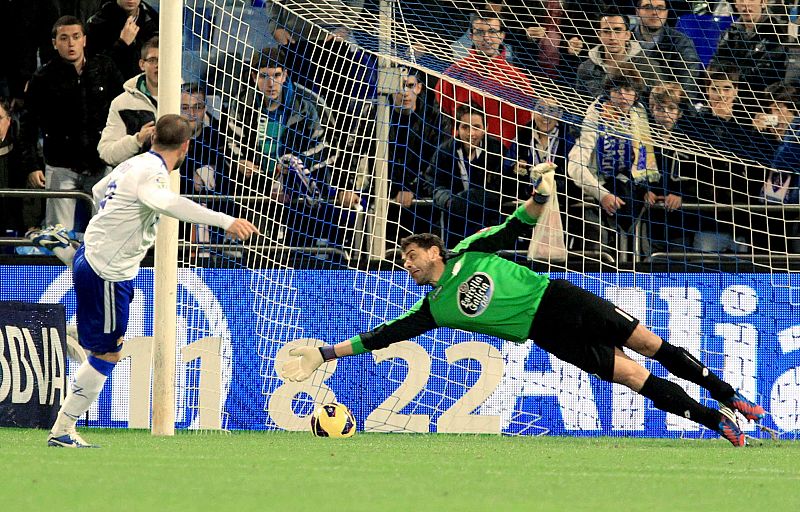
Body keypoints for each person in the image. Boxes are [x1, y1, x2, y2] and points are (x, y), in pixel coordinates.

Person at [281, 167, 765, 447]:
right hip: (548, 334)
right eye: (402, 260)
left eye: (409, 256)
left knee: (651, 346)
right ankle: (718, 424)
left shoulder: (470, 251)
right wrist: (327, 354)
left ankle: (729, 396)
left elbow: (516, 225)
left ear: (433, 251)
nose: (405, 265)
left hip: (560, 299)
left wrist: (539, 195)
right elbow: (384, 334)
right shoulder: (433, 310)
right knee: (634, 378)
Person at [47, 115, 258, 448]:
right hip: (107, 272)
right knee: (107, 355)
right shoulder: (153, 175)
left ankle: (66, 255)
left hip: (97, 256)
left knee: (105, 339)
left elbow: (99, 189)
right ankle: (62, 429)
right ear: (186, 146)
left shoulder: (134, 163)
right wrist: (226, 220)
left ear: (153, 137)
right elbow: (169, 203)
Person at [19, 15, 124, 263]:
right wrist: (32, 165)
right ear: (54, 43)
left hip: (101, 163)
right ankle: (68, 280)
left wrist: (121, 152)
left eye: (76, 37)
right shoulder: (42, 78)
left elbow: (123, 111)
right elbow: (28, 125)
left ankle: (101, 274)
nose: (71, 43)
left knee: (106, 230)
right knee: (58, 235)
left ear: (85, 40)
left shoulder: (105, 68)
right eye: (64, 38)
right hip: (60, 165)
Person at [98, 36, 159, 167]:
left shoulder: (185, 99)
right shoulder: (122, 103)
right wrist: (137, 141)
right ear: (142, 64)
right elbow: (106, 153)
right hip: (135, 181)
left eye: (163, 60)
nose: (158, 65)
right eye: (153, 60)